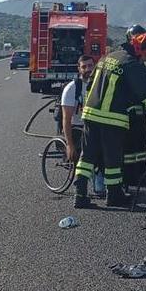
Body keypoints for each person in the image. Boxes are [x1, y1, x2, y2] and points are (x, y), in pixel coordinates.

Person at [73, 32, 146, 208]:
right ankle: (114, 196)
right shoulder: (131, 64)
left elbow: (90, 84)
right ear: (140, 50)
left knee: (87, 156)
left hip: (90, 114)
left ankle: (79, 195)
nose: (145, 61)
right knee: (113, 160)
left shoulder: (108, 57)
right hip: (112, 118)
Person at [60, 55, 105, 197]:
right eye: (84, 67)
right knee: (86, 152)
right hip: (77, 128)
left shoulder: (101, 85)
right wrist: (69, 145)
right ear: (79, 69)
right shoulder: (72, 89)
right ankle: (82, 187)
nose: (88, 69)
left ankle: (100, 179)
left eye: (90, 66)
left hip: (94, 126)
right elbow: (66, 119)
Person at [121, 24, 146, 185]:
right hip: (128, 113)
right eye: (138, 37)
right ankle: (129, 176)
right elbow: (144, 90)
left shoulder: (137, 59)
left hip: (139, 112)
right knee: (129, 147)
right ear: (131, 39)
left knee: (140, 144)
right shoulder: (129, 60)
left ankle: (141, 172)